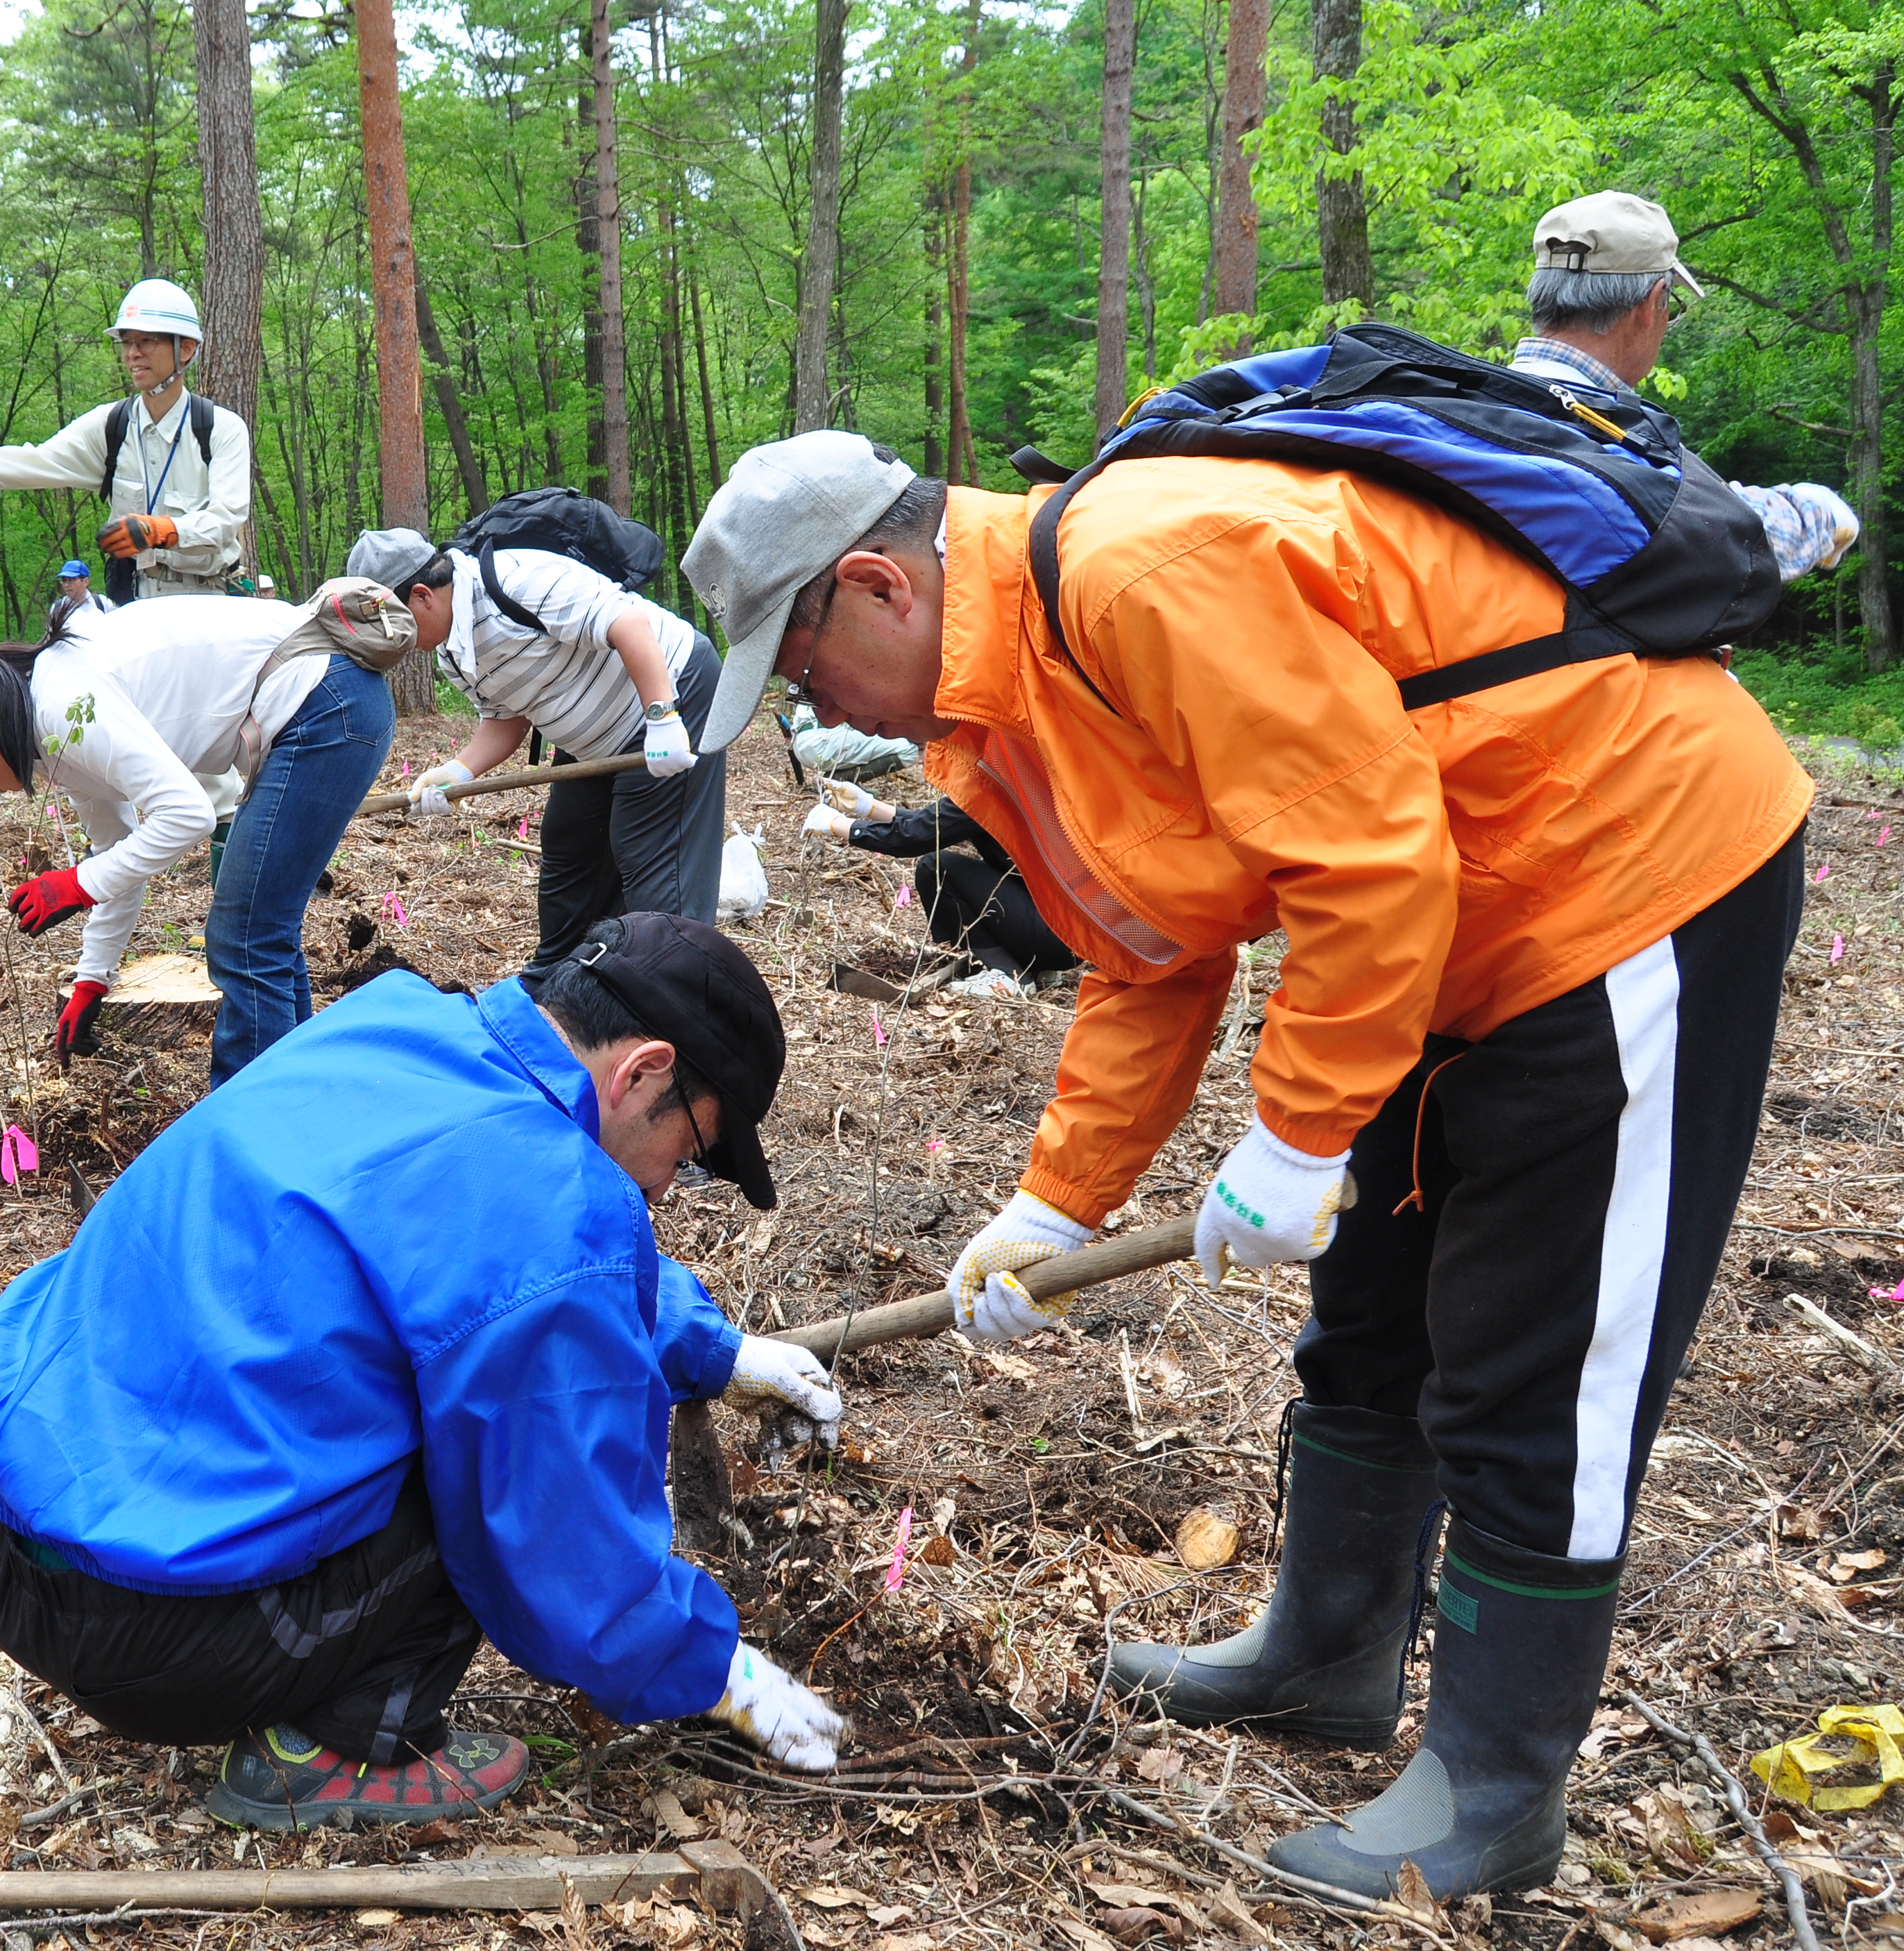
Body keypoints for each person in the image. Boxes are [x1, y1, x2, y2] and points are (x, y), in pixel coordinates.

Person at [683, 428, 1808, 1900]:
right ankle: (1326, 1651)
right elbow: (1150, 942)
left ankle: (1491, 1785)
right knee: (1369, 1313)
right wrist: (1053, 1199)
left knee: (1535, 1362)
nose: (809, 700)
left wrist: (1288, 1133)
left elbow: (1366, 861)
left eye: (799, 661)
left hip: (1619, 874)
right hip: (1438, 923)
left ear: (876, 584)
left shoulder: (1143, 572)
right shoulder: (1016, 683)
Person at [0, 911, 848, 1829]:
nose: (661, 1186)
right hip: (147, 1634)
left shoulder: (394, 1025)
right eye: (686, 1154)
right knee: (487, 1458)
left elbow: (499, 1264)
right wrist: (715, 1669)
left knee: (450, 1369)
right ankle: (330, 1747)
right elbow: (565, 1528)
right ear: (644, 1070)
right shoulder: (553, 1206)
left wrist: (717, 1348)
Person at [0, 580, 400, 1085]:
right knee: (262, 931)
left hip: (327, 704)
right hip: (325, 704)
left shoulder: (63, 708)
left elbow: (188, 816)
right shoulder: (45, 728)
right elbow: (116, 850)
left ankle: (250, 1130)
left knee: (245, 935)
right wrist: (92, 977)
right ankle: (298, 1099)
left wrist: (79, 883)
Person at [346, 526, 727, 994]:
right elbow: (508, 717)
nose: (398, 643)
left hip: (669, 693)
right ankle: (560, 989)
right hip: (594, 739)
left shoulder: (522, 580)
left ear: (422, 595)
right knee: (570, 845)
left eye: (396, 625)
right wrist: (457, 771)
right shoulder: (451, 648)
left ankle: (672, 995)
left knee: (650, 858)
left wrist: (664, 718)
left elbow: (629, 624)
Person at [1514, 194, 1858, 580]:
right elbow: (1716, 525)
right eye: (1671, 304)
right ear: (1653, 302)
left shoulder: (1471, 406)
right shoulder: (1602, 445)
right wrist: (1821, 511)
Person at [0, 281, 252, 603]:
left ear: (186, 348)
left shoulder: (221, 430)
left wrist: (160, 531)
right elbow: (43, 460)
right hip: (133, 603)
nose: (132, 353)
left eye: (147, 341)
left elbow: (224, 523)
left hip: (207, 602)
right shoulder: (112, 425)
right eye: (126, 342)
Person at [799, 781, 1078, 988]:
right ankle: (1040, 967)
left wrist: (838, 825)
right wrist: (868, 808)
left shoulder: (984, 784)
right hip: (1075, 934)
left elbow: (917, 837)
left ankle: (1009, 976)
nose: (921, 758)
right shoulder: (1011, 774)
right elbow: (938, 823)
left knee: (936, 868)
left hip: (1053, 932)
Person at [43, 557, 110, 641]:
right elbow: (49, 639)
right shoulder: (57, 608)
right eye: (64, 581)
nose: (67, 585)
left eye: (71, 580)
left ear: (85, 582)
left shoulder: (102, 602)